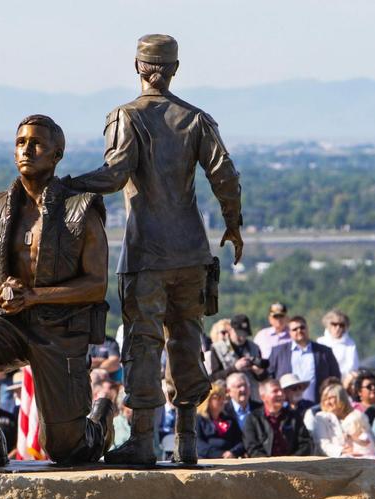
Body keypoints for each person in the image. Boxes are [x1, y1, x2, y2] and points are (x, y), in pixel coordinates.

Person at [61, 35, 243, 466]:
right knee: (186, 340)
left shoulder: (126, 117)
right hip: (192, 255)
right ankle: (187, 442)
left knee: (143, 346)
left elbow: (114, 173)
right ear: (174, 68)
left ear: (138, 67)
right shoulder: (196, 119)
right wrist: (233, 224)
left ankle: (142, 440)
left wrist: (66, 185)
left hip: (146, 256)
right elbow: (226, 176)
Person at [0, 114, 116, 467]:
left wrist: (36, 296)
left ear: (57, 154)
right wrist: (2, 295)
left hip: (59, 330)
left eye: (37, 144)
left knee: (67, 451)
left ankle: (100, 421)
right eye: (21, 142)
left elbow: (96, 285)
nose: (27, 150)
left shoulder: (80, 209)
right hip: (9, 322)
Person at [267, 316, 341, 407]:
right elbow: (269, 378)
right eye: (295, 329)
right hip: (286, 409)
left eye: (302, 327)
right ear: (289, 332)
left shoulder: (324, 352)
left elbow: (335, 379)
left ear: (307, 329)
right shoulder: (278, 352)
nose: (299, 331)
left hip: (318, 406)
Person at [243, 378, 313, 457]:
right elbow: (252, 447)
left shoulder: (294, 416)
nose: (280, 394)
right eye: (275, 391)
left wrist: (291, 460)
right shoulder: (253, 419)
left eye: (281, 391)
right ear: (263, 397)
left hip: (292, 465)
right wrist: (270, 463)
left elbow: (305, 443)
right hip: (265, 466)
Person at [312, 383, 375, 458]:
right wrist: (341, 451)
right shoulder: (321, 418)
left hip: (363, 458)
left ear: (341, 398)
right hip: (332, 462)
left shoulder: (357, 417)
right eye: (325, 399)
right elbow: (322, 445)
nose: (327, 402)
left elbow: (371, 440)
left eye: (331, 398)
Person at [194, 381, 243, 458]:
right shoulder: (198, 420)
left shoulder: (230, 420)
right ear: (207, 400)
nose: (222, 401)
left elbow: (240, 441)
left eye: (223, 397)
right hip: (206, 459)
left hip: (230, 459)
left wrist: (232, 452)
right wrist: (220, 454)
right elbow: (198, 444)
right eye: (218, 398)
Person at [318, 309, 359, 376]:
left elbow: (353, 366)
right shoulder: (320, 342)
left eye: (341, 325)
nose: (338, 327)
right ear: (328, 325)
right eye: (334, 324)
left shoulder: (350, 344)